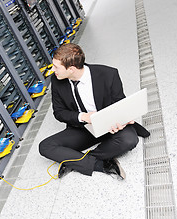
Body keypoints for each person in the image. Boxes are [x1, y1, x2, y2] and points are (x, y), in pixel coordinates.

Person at [39, 43, 149, 180]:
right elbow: (59, 112)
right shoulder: (56, 80)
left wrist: (122, 120)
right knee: (45, 146)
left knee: (129, 140)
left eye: (56, 67)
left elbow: (120, 103)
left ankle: (77, 160)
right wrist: (83, 117)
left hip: (109, 125)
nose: (52, 70)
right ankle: (102, 164)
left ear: (71, 69)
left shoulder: (108, 74)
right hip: (83, 127)